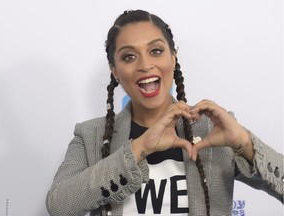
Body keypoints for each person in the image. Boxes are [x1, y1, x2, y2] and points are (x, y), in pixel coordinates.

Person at [46, 9, 283, 216]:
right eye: (129, 56)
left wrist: (244, 142)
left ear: (173, 56)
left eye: (156, 51)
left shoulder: (212, 128)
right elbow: (59, 207)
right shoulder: (90, 135)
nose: (145, 65)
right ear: (115, 71)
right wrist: (140, 148)